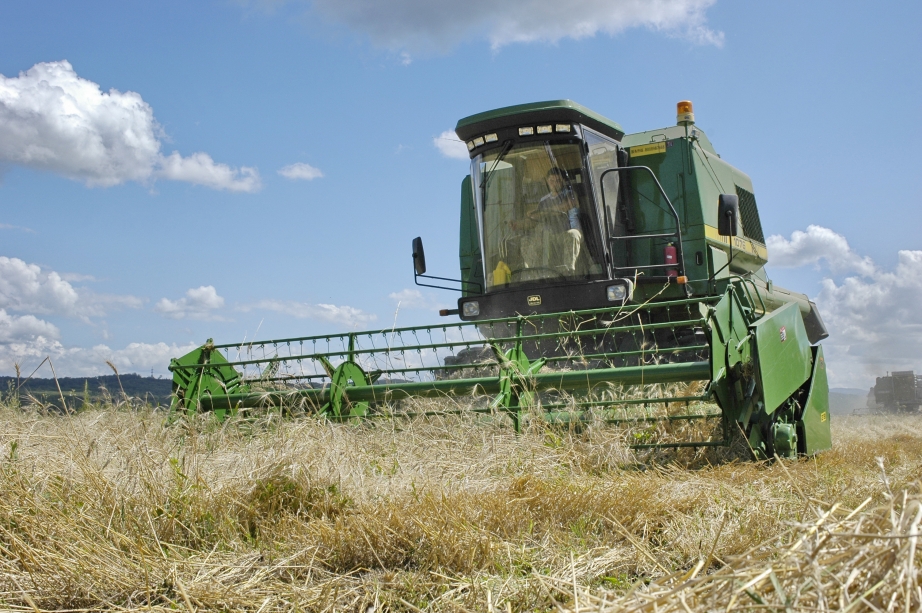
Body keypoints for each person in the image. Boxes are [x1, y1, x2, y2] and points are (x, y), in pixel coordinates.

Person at [519, 167, 584, 273]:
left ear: (563, 181)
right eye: (551, 181)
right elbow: (536, 220)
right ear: (547, 181)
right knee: (525, 240)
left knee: (573, 234)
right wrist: (520, 222)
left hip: (565, 233)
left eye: (558, 180)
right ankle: (534, 271)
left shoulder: (570, 194)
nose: (554, 184)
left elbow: (566, 206)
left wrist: (543, 212)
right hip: (548, 237)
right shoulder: (543, 200)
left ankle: (569, 271)